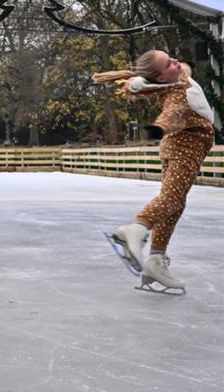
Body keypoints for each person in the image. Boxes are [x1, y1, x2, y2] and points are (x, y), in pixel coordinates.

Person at [92, 50, 214, 294]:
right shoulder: (178, 95)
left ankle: (156, 260)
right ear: (160, 78)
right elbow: (173, 114)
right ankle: (136, 229)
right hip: (185, 149)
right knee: (172, 199)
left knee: (175, 204)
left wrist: (138, 83)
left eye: (172, 58)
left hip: (176, 148)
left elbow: (172, 75)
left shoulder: (168, 82)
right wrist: (157, 129)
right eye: (169, 63)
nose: (176, 62)